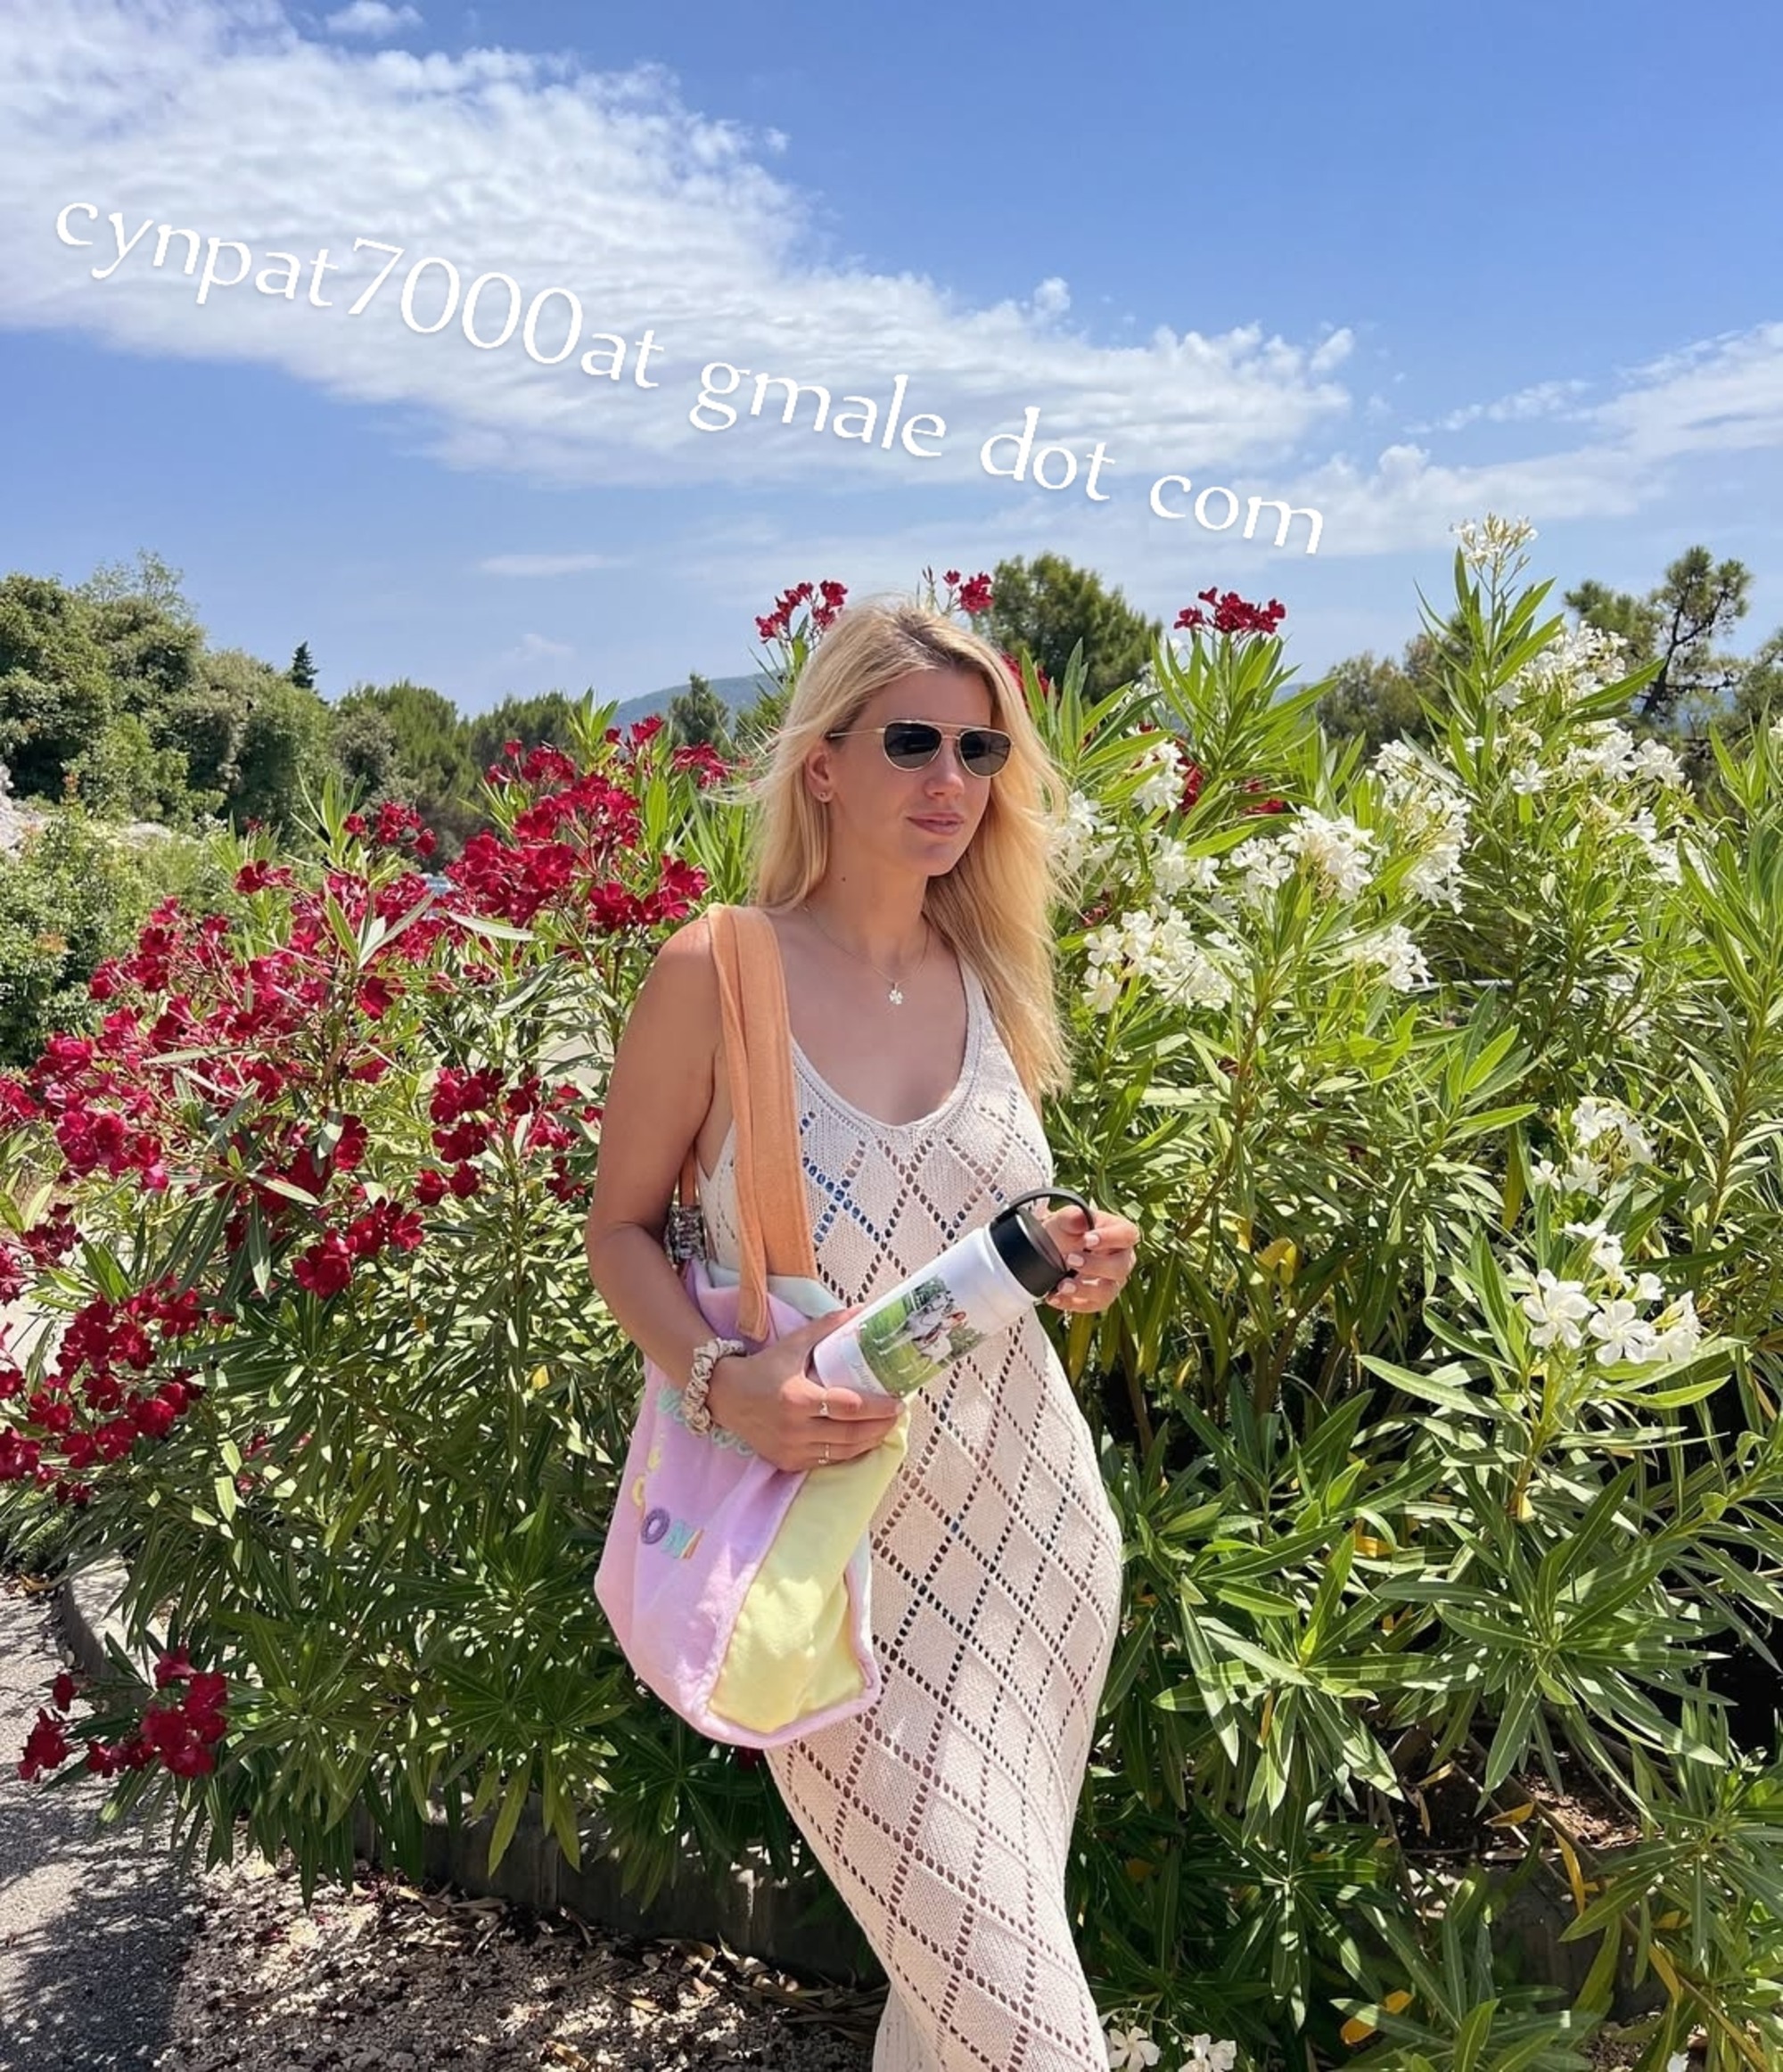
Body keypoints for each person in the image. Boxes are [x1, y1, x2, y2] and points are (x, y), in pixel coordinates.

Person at [584, 598, 1138, 2070]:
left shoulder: (991, 967)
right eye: (911, 742)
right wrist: (720, 1382)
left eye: (980, 750)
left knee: (951, 2015)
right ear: (823, 763)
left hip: (1037, 1545)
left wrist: (1077, 1255)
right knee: (1027, 2032)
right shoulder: (718, 970)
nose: (951, 778)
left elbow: (969, 1228)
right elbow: (618, 1230)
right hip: (831, 1582)